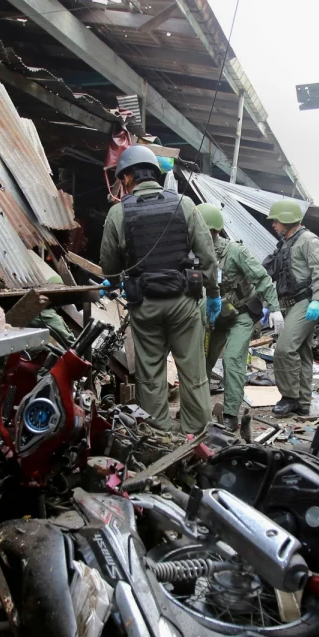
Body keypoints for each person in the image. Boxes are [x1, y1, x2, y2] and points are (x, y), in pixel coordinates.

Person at [99, 145, 220, 435]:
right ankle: (197, 430)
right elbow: (208, 257)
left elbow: (109, 265)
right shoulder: (185, 205)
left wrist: (112, 283)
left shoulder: (118, 213)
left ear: (128, 177)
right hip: (184, 302)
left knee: (150, 372)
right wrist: (213, 294)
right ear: (154, 173)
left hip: (145, 303)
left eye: (122, 179)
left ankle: (158, 433)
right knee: (192, 369)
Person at [198, 202, 283, 430]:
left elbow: (262, 278)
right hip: (216, 314)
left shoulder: (236, 252)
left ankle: (230, 414)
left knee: (232, 359)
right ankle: (198, 409)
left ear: (213, 231)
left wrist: (274, 307)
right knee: (201, 360)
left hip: (242, 315)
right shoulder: (195, 253)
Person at [264, 199, 319, 417]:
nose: (273, 224)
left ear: (287, 219)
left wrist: (317, 299)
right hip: (288, 303)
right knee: (302, 352)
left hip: (305, 302)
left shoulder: (308, 240)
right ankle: (302, 402)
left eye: (276, 220)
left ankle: (289, 397)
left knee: (284, 348)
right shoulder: (285, 243)